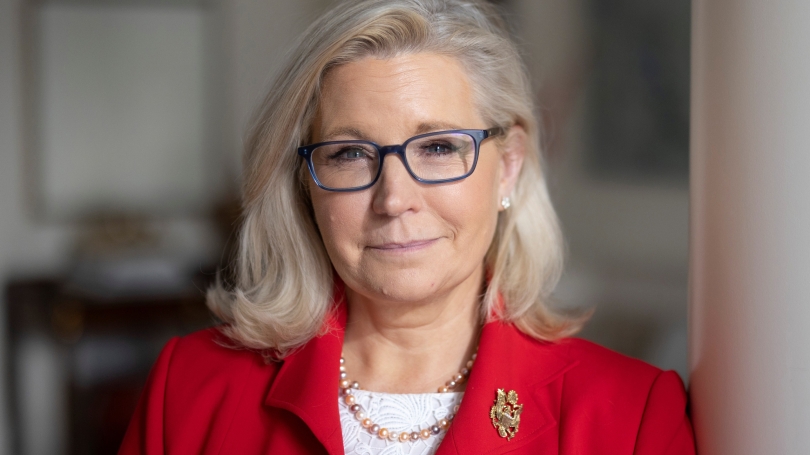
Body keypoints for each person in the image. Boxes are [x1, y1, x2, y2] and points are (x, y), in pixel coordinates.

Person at [119, 0, 696, 454]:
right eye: (349, 154)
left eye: (440, 147)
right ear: (305, 183)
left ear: (509, 166)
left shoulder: (634, 417)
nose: (394, 198)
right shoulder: (189, 388)